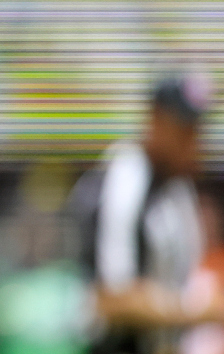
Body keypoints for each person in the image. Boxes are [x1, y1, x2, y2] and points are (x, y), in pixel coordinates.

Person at [70, 73, 221, 354]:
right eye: (183, 130)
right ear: (155, 120)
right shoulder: (125, 176)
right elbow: (114, 297)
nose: (193, 142)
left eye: (197, 131)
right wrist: (197, 310)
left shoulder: (179, 188)